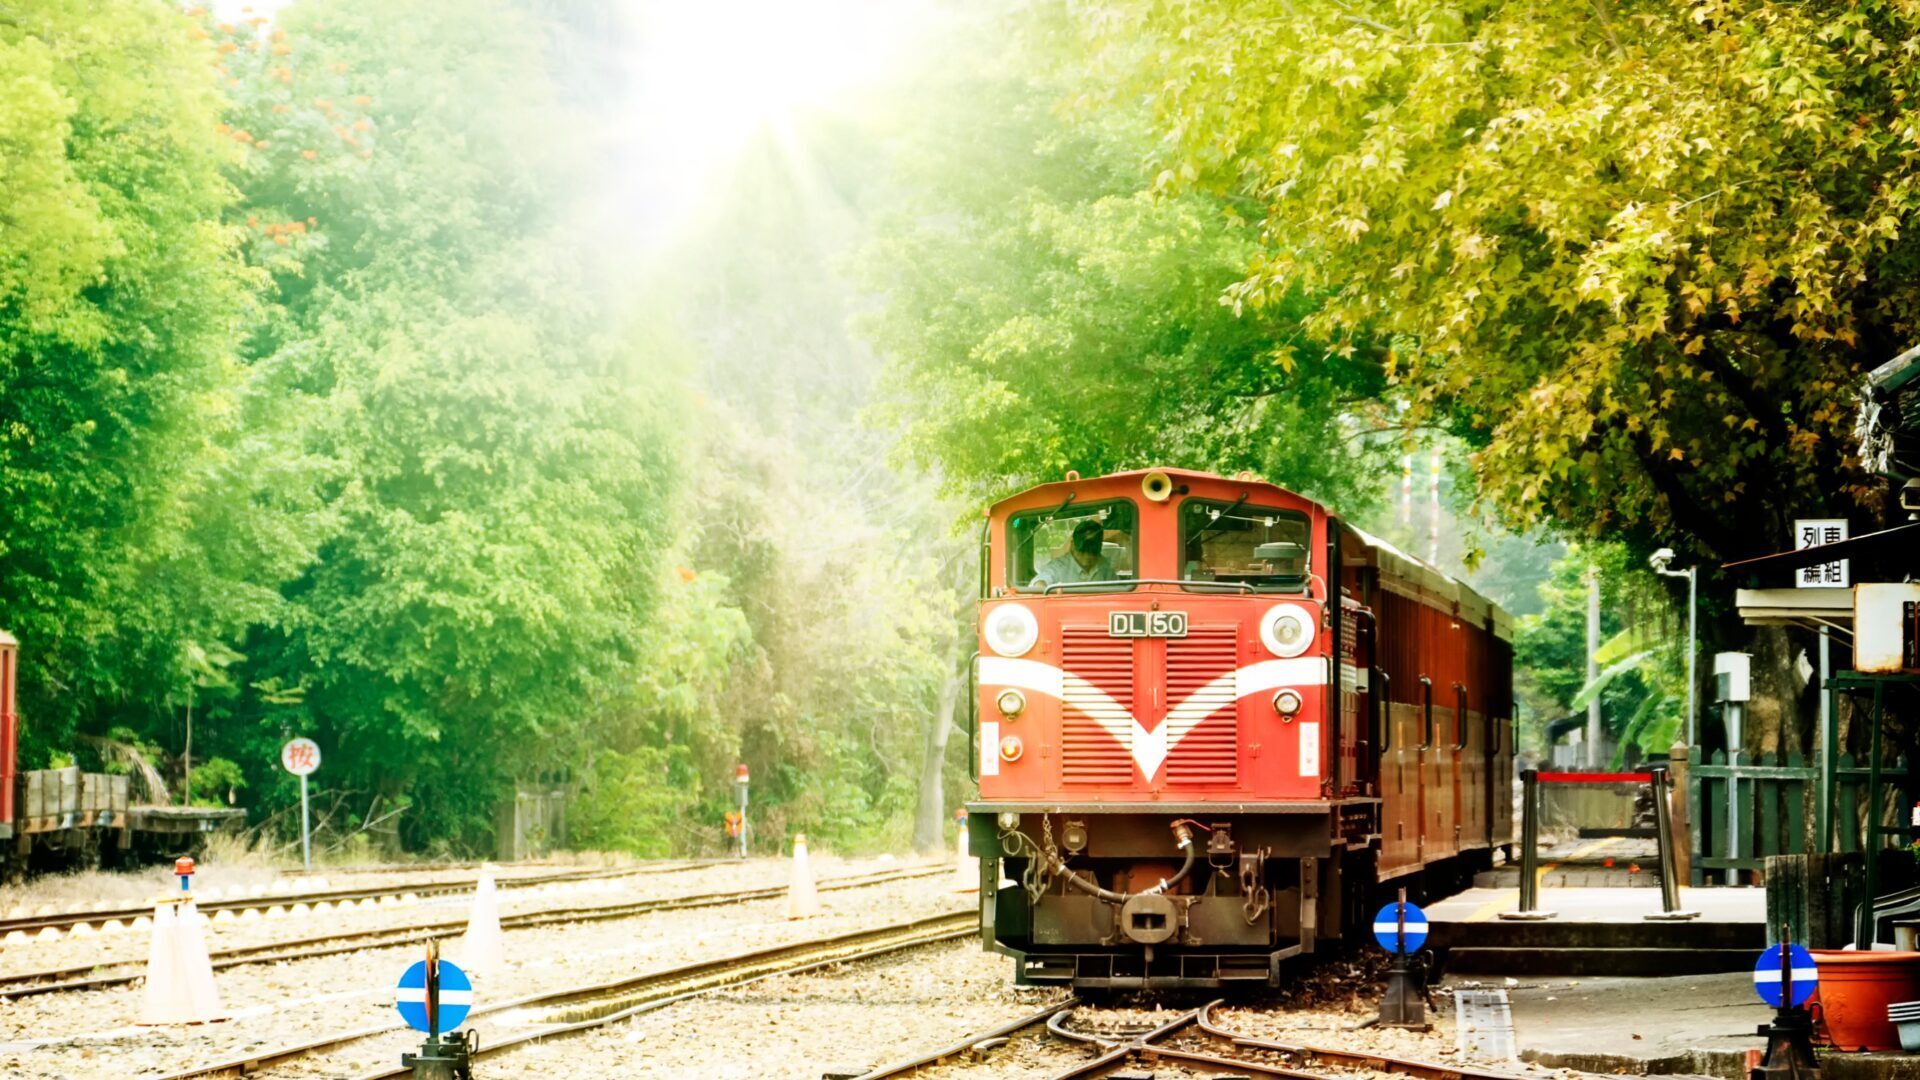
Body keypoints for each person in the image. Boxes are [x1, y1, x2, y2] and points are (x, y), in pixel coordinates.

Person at [1033, 519, 1114, 587]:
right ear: (1072, 545)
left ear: (1099, 547)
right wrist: (1042, 585)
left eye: (1092, 550)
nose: (1087, 555)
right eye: (1083, 549)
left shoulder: (1104, 566)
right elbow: (1039, 583)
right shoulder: (1058, 567)